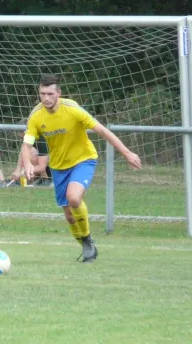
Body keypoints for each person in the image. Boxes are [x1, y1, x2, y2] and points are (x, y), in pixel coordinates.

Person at [21, 74, 141, 263]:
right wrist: (27, 163)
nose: (46, 98)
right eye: (42, 94)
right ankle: (87, 244)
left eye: (50, 93)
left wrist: (126, 153)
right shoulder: (36, 116)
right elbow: (27, 144)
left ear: (58, 93)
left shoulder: (73, 109)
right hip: (59, 167)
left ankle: (86, 241)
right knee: (69, 217)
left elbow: (102, 131)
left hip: (83, 160)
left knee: (74, 197)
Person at [10, 118, 52, 186]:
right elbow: (22, 151)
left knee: (33, 155)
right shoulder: (28, 139)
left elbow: (41, 167)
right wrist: (18, 170)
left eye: (22, 135)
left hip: (55, 165)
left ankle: (47, 180)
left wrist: (25, 171)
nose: (22, 138)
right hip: (43, 163)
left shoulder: (41, 140)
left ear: (26, 132)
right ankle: (37, 180)